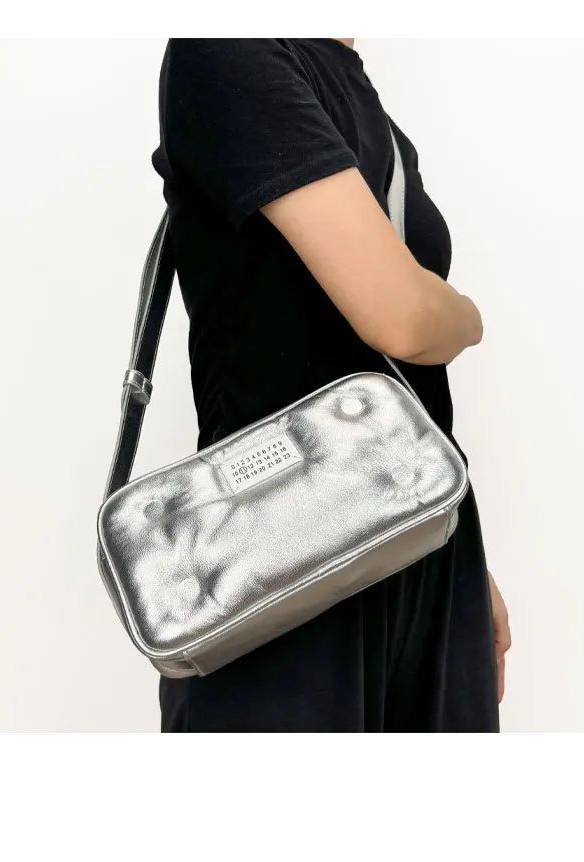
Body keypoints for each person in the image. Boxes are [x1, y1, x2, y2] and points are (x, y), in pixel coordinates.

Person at [151, 38, 511, 732]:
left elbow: (397, 379)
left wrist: (462, 551)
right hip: (273, 567)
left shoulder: (369, 107)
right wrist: (469, 318)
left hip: (418, 544)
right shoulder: (228, 48)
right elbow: (403, 319)